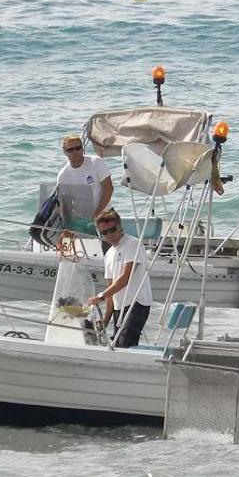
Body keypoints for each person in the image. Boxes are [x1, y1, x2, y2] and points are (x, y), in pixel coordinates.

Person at [87, 210, 153, 348]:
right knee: (117, 346)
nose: (110, 235)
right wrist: (105, 321)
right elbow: (111, 292)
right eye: (105, 232)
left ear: (119, 226)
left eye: (112, 230)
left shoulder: (132, 244)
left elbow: (125, 278)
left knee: (125, 346)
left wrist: (100, 296)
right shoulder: (109, 254)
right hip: (120, 307)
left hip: (136, 304)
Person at [56, 134, 114, 236]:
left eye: (78, 148)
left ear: (82, 149)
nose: (75, 152)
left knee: (111, 247)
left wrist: (97, 214)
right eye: (70, 150)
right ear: (65, 152)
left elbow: (109, 188)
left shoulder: (96, 163)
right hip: (82, 220)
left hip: (105, 213)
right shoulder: (63, 176)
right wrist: (68, 225)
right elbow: (66, 205)